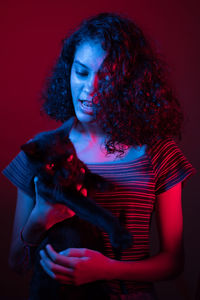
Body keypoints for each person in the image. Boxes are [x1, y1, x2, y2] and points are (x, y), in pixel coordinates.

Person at [2, 12, 195, 300]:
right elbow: (16, 263)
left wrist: (107, 269)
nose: (90, 89)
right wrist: (39, 220)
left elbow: (173, 262)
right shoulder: (39, 151)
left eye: (105, 78)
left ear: (129, 84)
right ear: (68, 71)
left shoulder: (159, 152)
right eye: (81, 72)